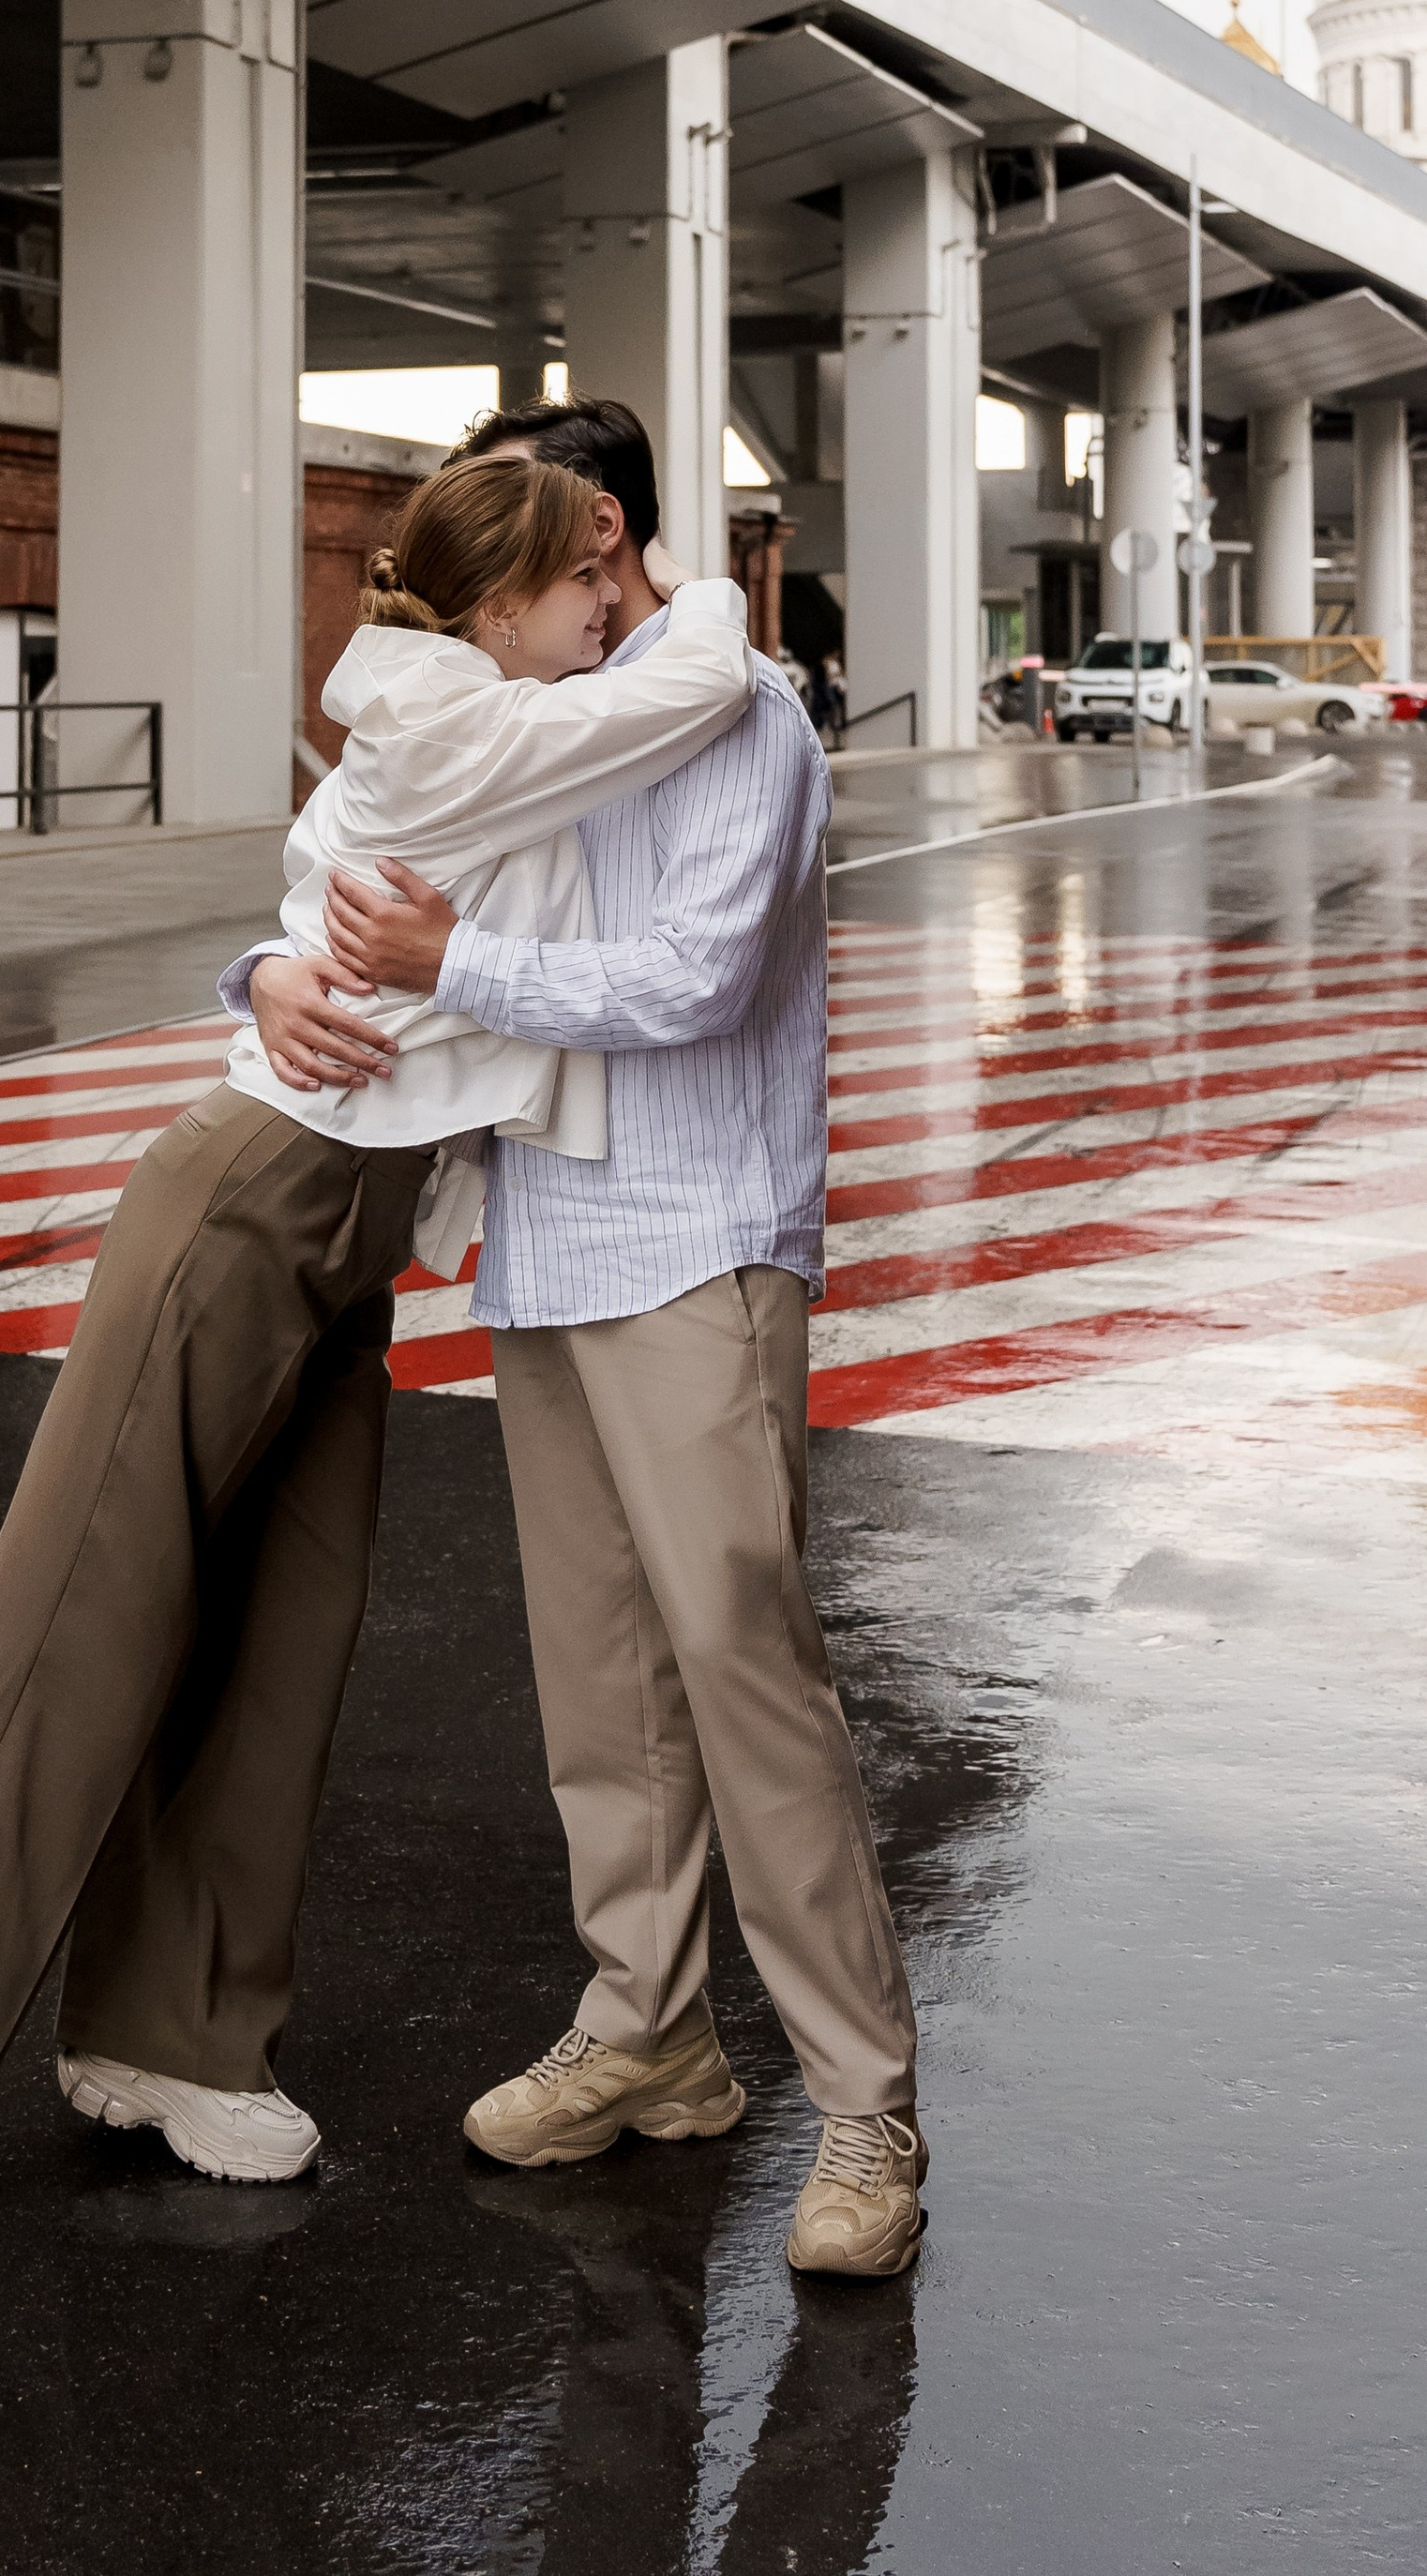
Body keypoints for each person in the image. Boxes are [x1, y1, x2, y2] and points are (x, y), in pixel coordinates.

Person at [0, 453, 754, 2235]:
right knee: (83, 1604)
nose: (618, 609)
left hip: (346, 1229)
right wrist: (693, 582)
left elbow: (327, 886)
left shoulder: (494, 710)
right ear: (505, 598)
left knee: (281, 1632)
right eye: (589, 583)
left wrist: (259, 967)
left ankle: (175, 2031)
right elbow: (709, 673)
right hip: (254, 1197)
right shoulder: (470, 711)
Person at [243, 396, 924, 2282]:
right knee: (600, 1686)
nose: (485, 618)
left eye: (516, 562)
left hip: (697, 1242)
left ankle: (865, 2112)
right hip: (542, 1248)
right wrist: (279, 970)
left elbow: (691, 979)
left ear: (601, 541)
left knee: (741, 1673)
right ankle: (650, 2036)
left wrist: (439, 967)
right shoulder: (519, 720)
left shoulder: (743, 718)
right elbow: (338, 866)